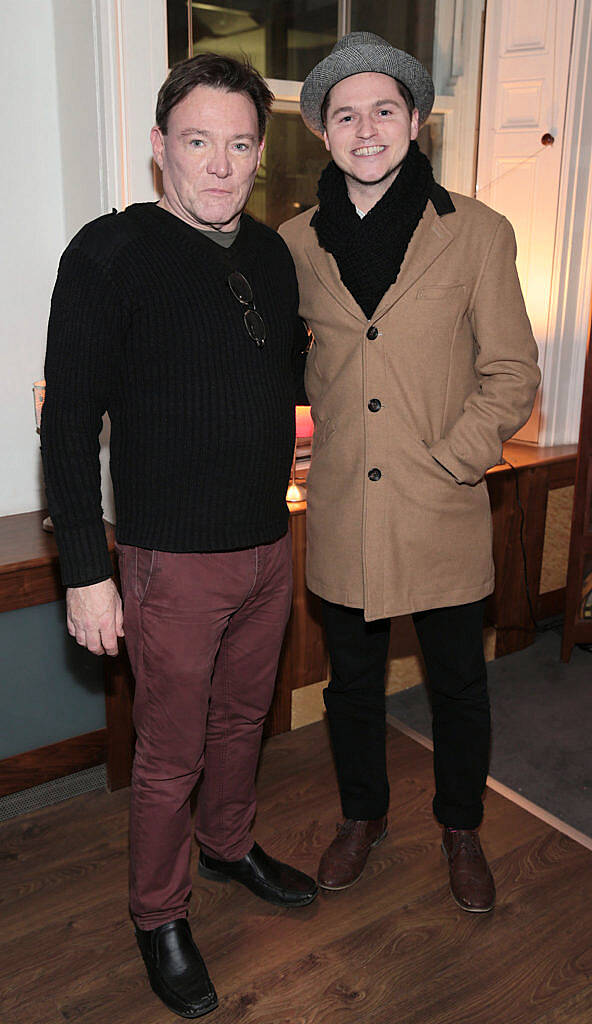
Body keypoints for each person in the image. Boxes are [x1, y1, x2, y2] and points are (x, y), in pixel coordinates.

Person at [41, 53, 317, 1020]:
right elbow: (68, 419)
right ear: (160, 149)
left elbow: (282, 387)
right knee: (170, 755)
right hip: (168, 560)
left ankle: (230, 844)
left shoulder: (274, 256)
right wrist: (88, 571)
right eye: (198, 142)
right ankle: (158, 913)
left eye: (241, 144)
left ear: (260, 155)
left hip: (266, 547)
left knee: (244, 724)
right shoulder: (109, 252)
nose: (220, 165)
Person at [279, 32, 540, 913]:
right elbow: (289, 366)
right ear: (321, 130)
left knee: (459, 680)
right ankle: (363, 816)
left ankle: (461, 826)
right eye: (344, 113)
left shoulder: (478, 232)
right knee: (350, 684)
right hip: (346, 503)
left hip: (442, 505)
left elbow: (512, 372)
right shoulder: (293, 243)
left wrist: (453, 460)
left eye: (383, 109)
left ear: (415, 119)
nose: (365, 128)